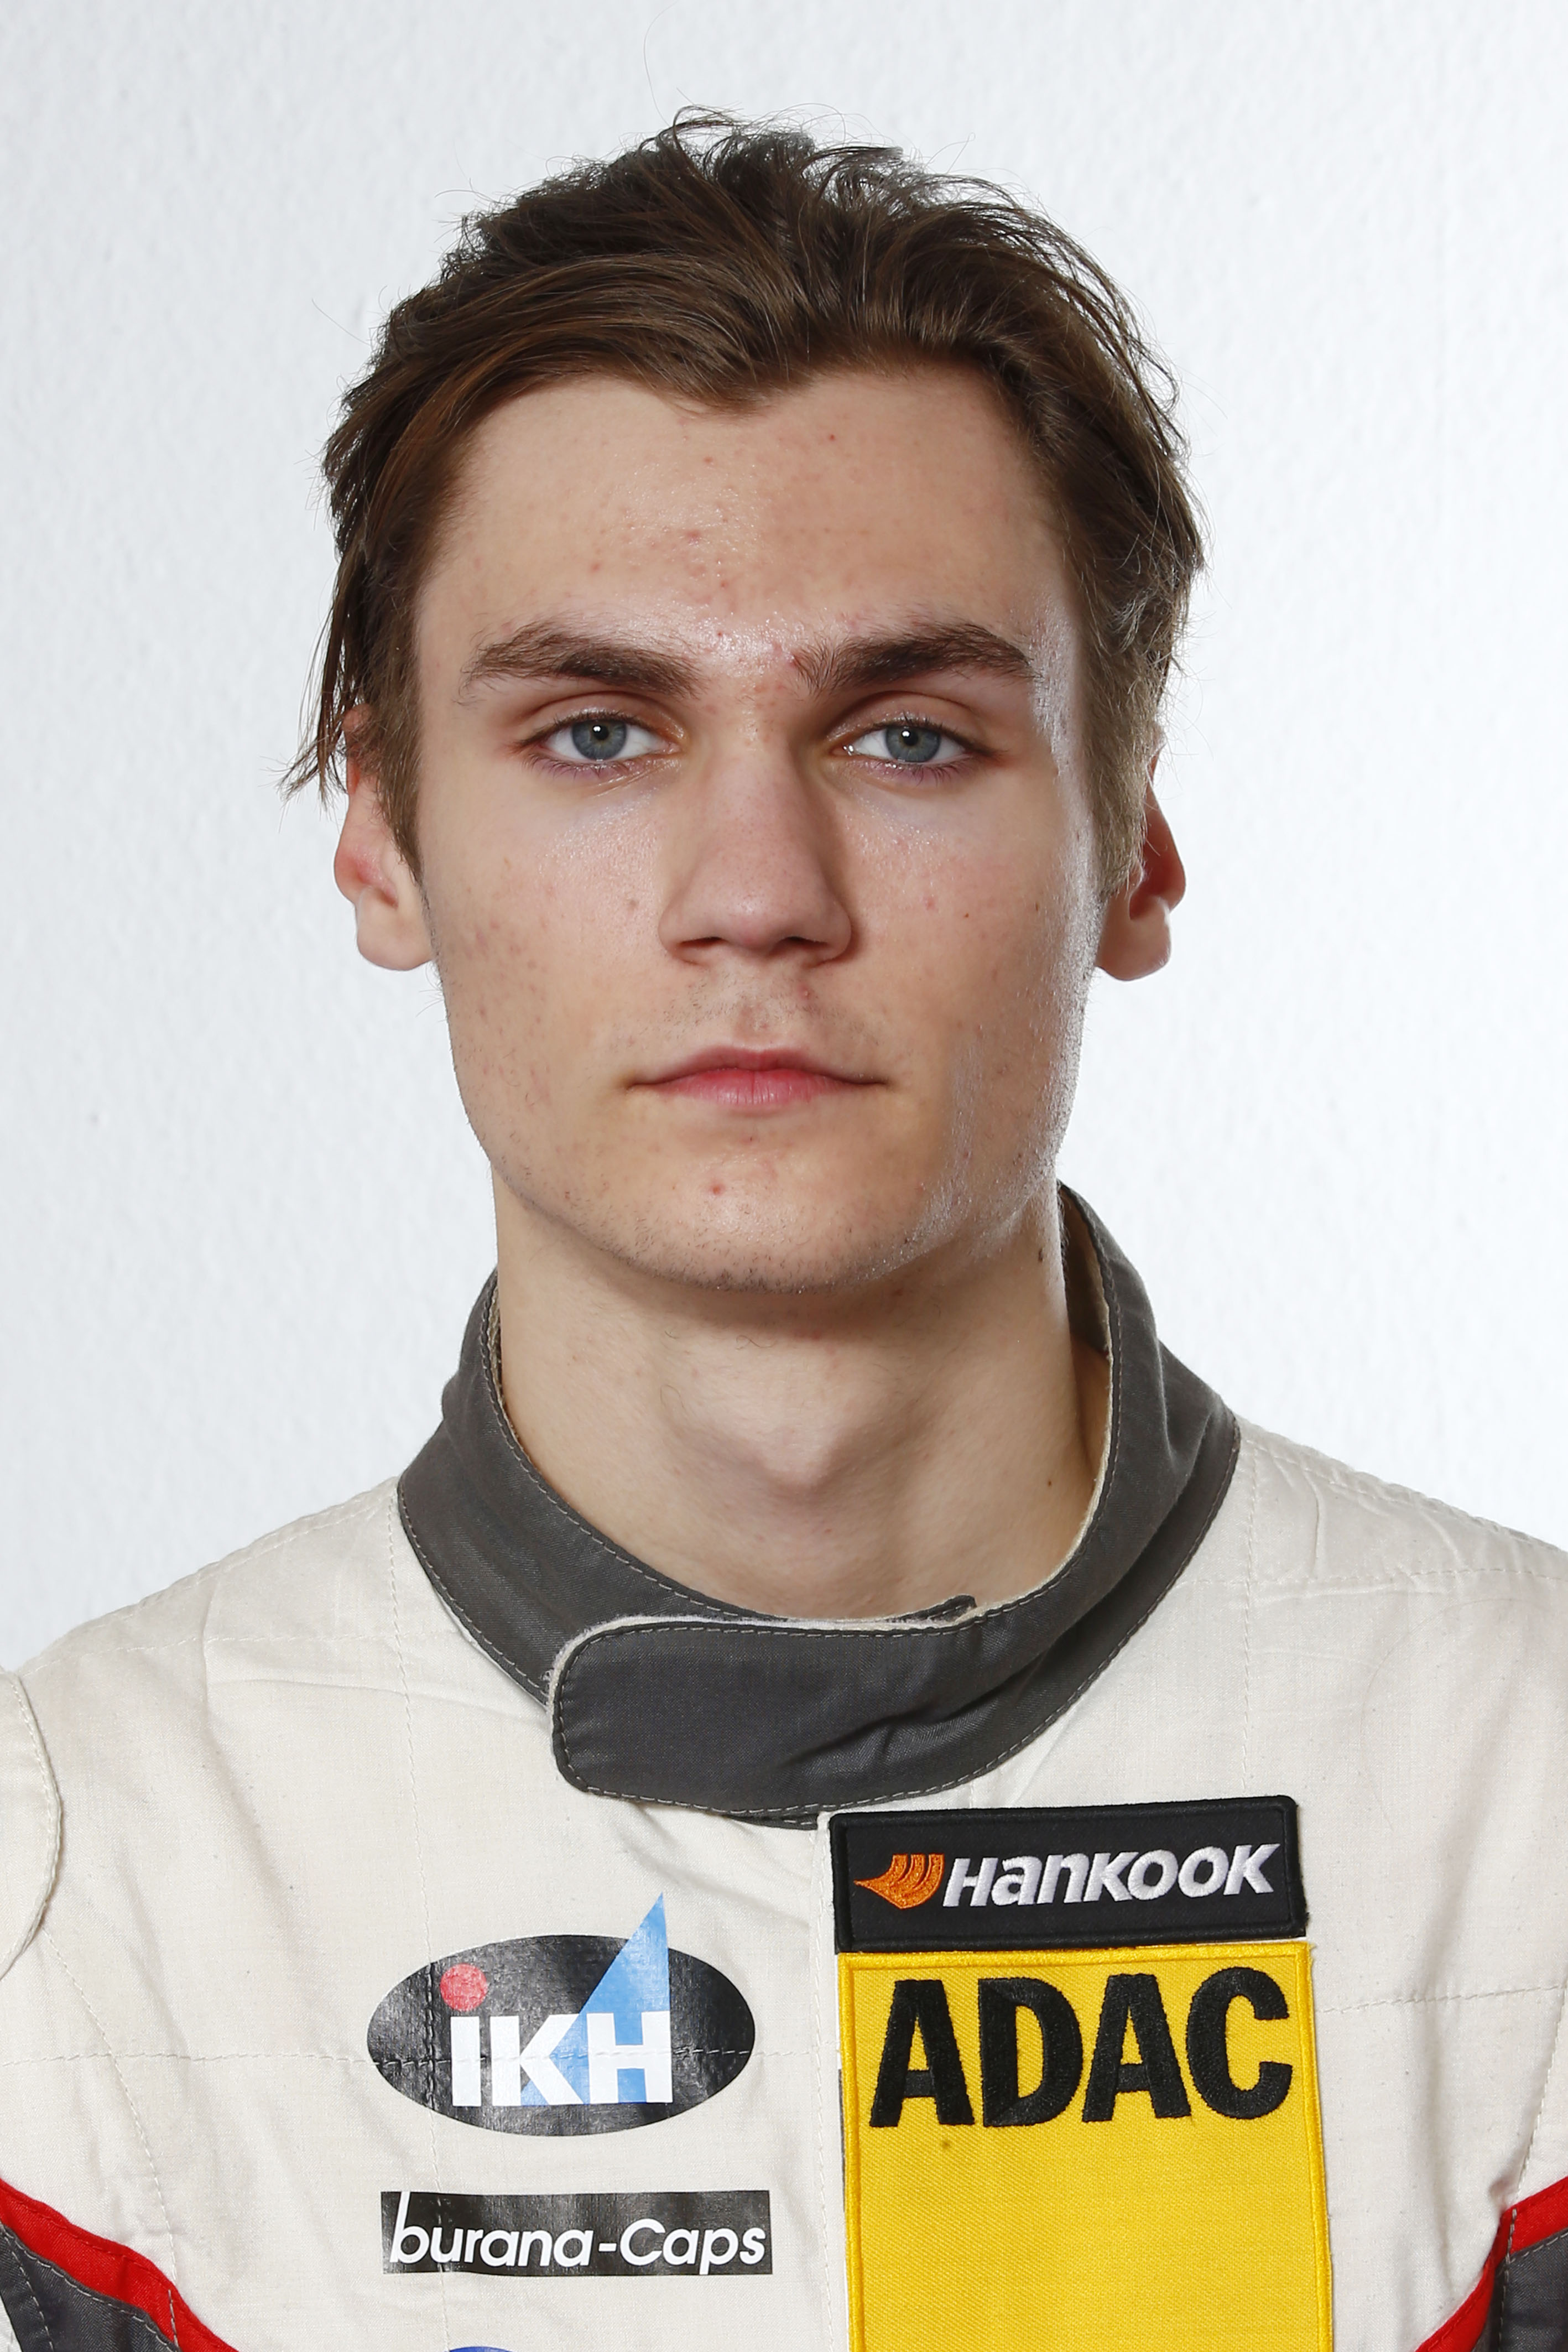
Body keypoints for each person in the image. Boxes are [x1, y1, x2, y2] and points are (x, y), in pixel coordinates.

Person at [0, 116, 1563, 2352]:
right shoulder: (72, 1881)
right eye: (599, 732)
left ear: (1128, 843)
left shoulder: (1531, 1798)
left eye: (908, 737)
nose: (755, 892)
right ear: (381, 837)